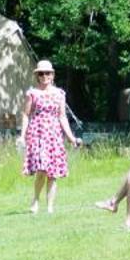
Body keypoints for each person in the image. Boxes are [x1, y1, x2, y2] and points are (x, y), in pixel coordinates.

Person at [18, 59, 79, 213]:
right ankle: (36, 200)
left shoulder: (59, 94)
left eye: (47, 73)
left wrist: (71, 138)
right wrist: (22, 135)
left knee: (53, 173)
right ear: (37, 76)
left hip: (54, 135)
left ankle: (50, 206)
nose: (44, 76)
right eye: (41, 73)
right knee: (41, 170)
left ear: (52, 75)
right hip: (37, 134)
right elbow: (26, 114)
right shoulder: (32, 93)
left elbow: (62, 116)